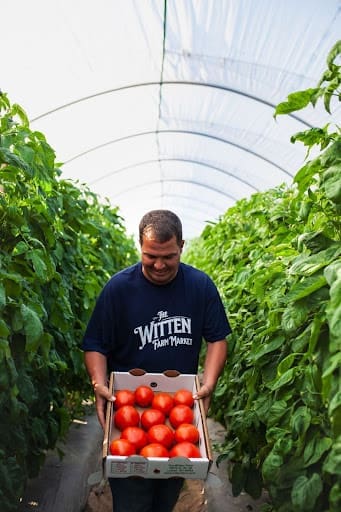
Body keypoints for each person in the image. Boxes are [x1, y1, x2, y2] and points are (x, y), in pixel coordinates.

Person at [82, 209, 231, 512]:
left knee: (167, 494)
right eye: (151, 256)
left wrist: (210, 382)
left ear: (181, 247)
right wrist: (99, 382)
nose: (159, 265)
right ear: (140, 245)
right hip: (127, 404)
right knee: (131, 499)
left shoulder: (200, 286)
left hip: (179, 407)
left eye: (168, 256)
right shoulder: (119, 288)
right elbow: (95, 343)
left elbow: (217, 338)